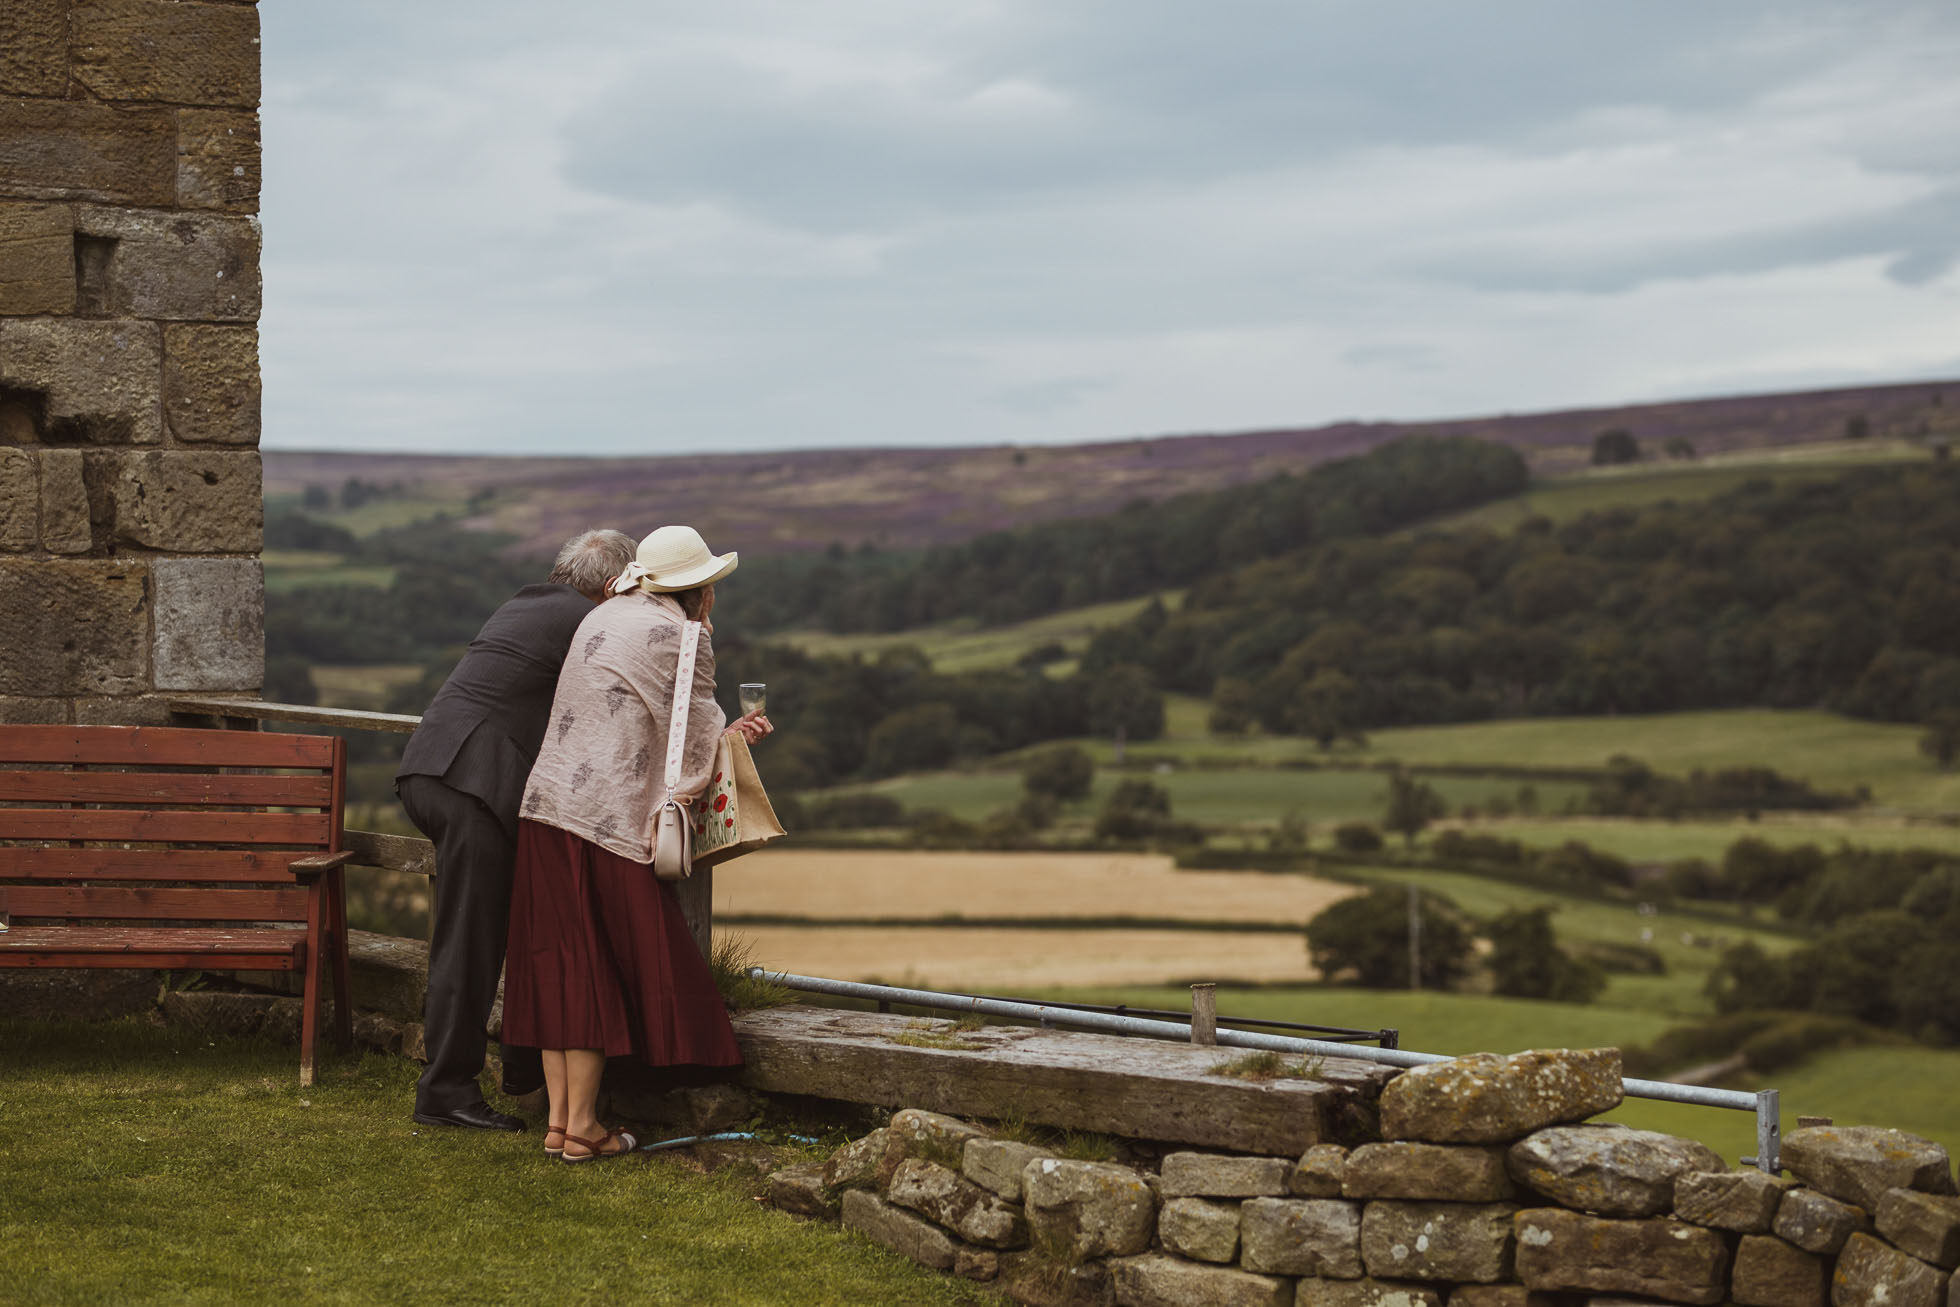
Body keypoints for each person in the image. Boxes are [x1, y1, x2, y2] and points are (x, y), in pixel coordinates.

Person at [503, 525, 772, 1161]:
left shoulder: (604, 614)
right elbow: (699, 738)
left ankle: (562, 1125)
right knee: (596, 965)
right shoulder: (684, 638)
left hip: (546, 805)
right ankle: (586, 1130)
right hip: (605, 818)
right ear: (699, 592)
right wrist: (735, 737)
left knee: (557, 964)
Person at [397, 528, 639, 1132]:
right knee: (471, 942)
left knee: (511, 923)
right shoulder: (588, 623)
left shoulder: (527, 603)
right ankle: (445, 1091)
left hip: (435, 768)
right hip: (472, 782)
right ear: (612, 585)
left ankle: (519, 1068)